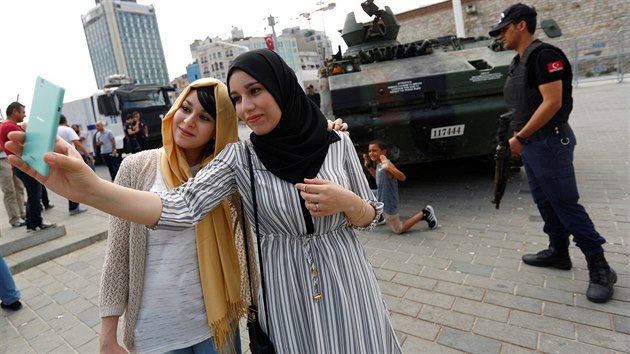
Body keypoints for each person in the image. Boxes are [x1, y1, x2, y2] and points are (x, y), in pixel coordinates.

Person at [6, 49, 401, 353]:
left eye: (255, 91)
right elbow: (180, 207)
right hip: (283, 293)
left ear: (282, 86)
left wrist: (348, 201)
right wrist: (90, 189)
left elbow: (370, 217)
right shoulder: (239, 159)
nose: (246, 107)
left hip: (347, 280)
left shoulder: (338, 142)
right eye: (238, 97)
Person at [99, 78, 251, 354]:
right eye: (185, 108)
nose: (189, 121)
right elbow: (117, 255)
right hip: (155, 333)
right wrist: (107, 337)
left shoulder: (228, 175)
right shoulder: (137, 167)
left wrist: (322, 130)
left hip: (217, 325)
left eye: (204, 117)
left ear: (219, 129)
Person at [489, 3, 616, 303]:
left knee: (566, 206)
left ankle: (600, 266)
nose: (501, 35)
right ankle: (559, 251)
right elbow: (526, 101)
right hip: (533, 144)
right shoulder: (518, 61)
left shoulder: (545, 55)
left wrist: (520, 137)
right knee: (545, 202)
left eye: (504, 29)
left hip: (549, 143)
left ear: (521, 26)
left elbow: (552, 102)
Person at [0, 102, 55, 232]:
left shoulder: (5, 126)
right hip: (24, 164)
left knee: (32, 194)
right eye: (23, 112)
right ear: (14, 111)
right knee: (35, 194)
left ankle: (32, 222)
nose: (25, 115)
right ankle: (36, 223)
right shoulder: (10, 127)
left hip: (17, 165)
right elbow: (26, 144)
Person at [363, 140, 437, 234]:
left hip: (388, 201)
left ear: (383, 152)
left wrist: (389, 168)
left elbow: (402, 177)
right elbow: (379, 178)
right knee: (363, 193)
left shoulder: (387, 164)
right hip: (380, 195)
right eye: (370, 151)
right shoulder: (379, 164)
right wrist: (369, 167)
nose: (371, 153)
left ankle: (425, 213)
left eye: (374, 151)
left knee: (398, 229)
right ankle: (380, 217)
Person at [58, 115, 91, 215]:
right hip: (69, 158)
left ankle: (73, 205)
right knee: (75, 182)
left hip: (59, 159)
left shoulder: (53, 131)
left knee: (68, 182)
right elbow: (77, 144)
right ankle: (74, 207)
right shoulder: (68, 130)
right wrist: (88, 154)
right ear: (65, 120)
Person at [0, 144, 26, 227]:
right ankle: (14, 218)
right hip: (2, 160)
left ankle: (21, 213)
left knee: (19, 187)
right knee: (9, 190)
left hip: (11, 157)